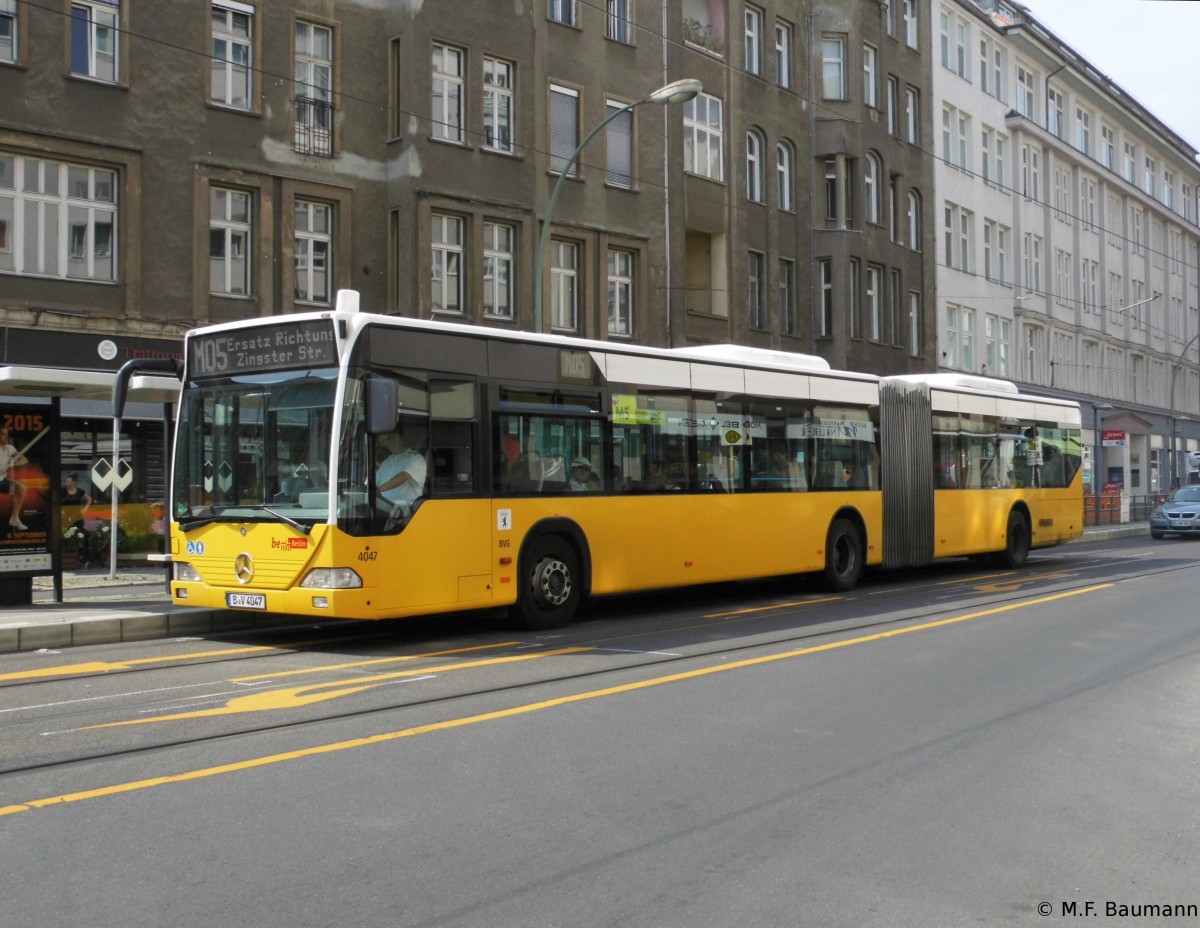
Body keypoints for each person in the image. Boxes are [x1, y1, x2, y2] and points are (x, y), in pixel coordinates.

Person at [377, 425, 427, 510]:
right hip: (384, 506)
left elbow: (404, 476)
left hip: (405, 510)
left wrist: (380, 489)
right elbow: (377, 479)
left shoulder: (416, 458)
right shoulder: (388, 460)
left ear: (399, 439)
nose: (387, 443)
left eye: (390, 439)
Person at [0, 426, 29, 531]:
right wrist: (8, 464)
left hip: (2, 481)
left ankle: (14, 519)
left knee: (21, 488)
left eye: (7, 434)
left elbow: (24, 459)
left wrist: (18, 461)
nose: (6, 436)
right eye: (3, 434)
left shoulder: (10, 448)